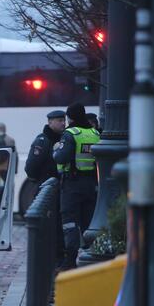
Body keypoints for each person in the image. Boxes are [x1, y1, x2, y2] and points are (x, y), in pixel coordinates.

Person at [53, 102, 100, 270]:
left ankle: (70, 260)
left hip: (72, 185)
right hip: (90, 183)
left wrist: (55, 150)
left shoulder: (70, 134)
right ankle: (91, 256)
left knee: (70, 221)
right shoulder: (94, 133)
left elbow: (61, 158)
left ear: (70, 117)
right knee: (88, 220)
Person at [25, 109, 67, 266]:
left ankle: (58, 255)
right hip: (47, 188)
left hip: (61, 188)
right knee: (50, 223)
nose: (63, 123)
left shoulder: (64, 138)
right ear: (50, 123)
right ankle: (52, 257)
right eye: (59, 120)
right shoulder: (43, 140)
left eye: (64, 120)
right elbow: (31, 167)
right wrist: (40, 179)